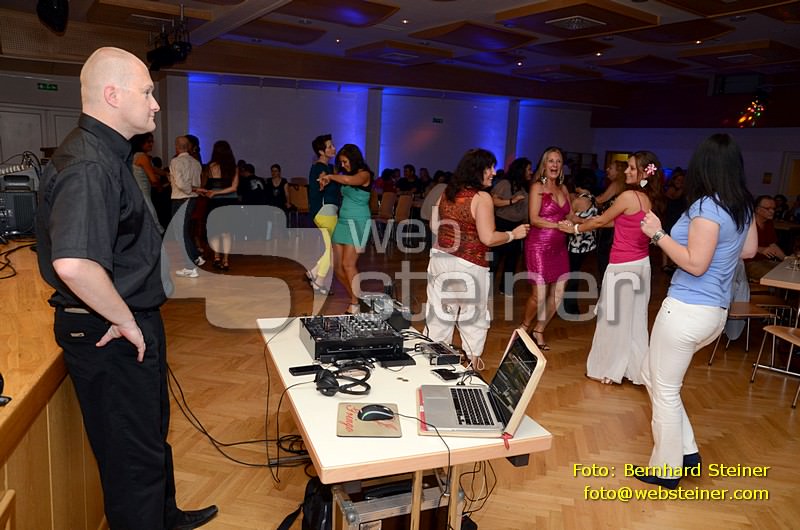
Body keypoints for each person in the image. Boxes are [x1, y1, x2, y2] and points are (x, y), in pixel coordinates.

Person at [34, 47, 217, 530]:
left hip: (125, 322)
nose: (156, 103)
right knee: (131, 459)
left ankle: (165, 516)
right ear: (113, 95)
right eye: (148, 92)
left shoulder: (106, 154)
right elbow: (74, 263)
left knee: (148, 436)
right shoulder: (90, 164)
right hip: (110, 330)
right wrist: (125, 320)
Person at [637, 133, 757, 488]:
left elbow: (695, 263)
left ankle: (666, 469)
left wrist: (658, 234)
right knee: (651, 375)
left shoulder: (707, 207)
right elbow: (748, 251)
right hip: (713, 312)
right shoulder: (741, 205)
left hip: (687, 308)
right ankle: (687, 453)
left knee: (665, 389)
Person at [561, 151, 664, 385]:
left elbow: (600, 220)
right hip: (641, 266)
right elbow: (614, 223)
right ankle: (634, 370)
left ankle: (606, 369)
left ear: (643, 172)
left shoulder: (628, 196)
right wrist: (582, 222)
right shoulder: (647, 198)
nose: (626, 171)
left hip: (623, 267)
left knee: (613, 318)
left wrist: (575, 230)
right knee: (635, 320)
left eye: (631, 168)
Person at [426, 148, 530, 367]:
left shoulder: (447, 193)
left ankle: (435, 364)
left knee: (439, 315)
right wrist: (513, 234)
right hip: (469, 265)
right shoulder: (481, 198)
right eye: (489, 168)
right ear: (476, 170)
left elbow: (434, 226)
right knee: (473, 318)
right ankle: (470, 369)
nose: (494, 173)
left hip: (440, 260)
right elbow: (488, 238)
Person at [521, 146, 574, 351]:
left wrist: (589, 221)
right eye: (551, 161)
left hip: (559, 247)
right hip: (539, 246)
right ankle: (524, 328)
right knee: (539, 295)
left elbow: (570, 216)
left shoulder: (563, 189)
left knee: (558, 293)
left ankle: (539, 329)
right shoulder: (537, 187)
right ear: (544, 164)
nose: (555, 165)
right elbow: (534, 219)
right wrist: (558, 225)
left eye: (558, 161)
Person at [320, 144, 372, 313]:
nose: (343, 165)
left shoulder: (365, 174)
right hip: (342, 222)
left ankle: (355, 303)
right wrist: (326, 182)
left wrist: (331, 176)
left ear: (354, 159)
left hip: (358, 222)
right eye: (341, 162)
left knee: (348, 264)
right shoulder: (345, 175)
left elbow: (349, 181)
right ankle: (357, 299)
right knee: (337, 267)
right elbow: (344, 181)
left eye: (345, 161)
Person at [490, 157, 531, 295]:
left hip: (518, 226)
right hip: (502, 224)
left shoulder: (526, 187)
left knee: (512, 260)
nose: (531, 172)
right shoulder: (505, 183)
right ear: (521, 170)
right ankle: (487, 287)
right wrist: (511, 201)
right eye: (528, 169)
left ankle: (506, 288)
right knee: (494, 260)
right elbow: (493, 201)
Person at [306, 134, 340, 295]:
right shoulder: (320, 168)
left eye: (333, 145)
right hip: (325, 211)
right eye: (329, 146)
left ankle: (312, 273)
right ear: (321, 151)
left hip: (326, 212)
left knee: (330, 249)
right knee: (332, 250)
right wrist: (323, 182)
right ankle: (318, 282)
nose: (333, 148)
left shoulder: (327, 168)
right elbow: (320, 186)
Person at [562, 169, 598, 316]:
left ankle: (569, 306)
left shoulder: (578, 201)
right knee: (575, 272)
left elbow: (569, 217)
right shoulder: (593, 198)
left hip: (576, 244)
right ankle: (570, 304)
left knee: (571, 274)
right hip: (588, 243)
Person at [169, 135, 205, 278]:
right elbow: (197, 183)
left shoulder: (176, 161)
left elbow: (181, 184)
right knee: (183, 231)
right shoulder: (196, 162)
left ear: (176, 147)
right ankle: (196, 256)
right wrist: (194, 189)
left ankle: (191, 266)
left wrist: (189, 189)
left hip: (181, 199)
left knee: (180, 233)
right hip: (193, 200)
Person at [203, 140, 240, 271]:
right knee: (227, 233)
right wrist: (218, 192)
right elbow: (234, 188)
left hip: (214, 202)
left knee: (214, 231)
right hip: (229, 203)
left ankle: (216, 257)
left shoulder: (210, 167)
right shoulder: (234, 167)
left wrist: (213, 192)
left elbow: (205, 186)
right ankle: (226, 261)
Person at [595, 160, 627, 281]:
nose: (607, 169)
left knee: (603, 254)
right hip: (619, 226)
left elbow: (600, 200)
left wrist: (585, 196)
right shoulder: (624, 185)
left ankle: (605, 283)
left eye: (610, 168)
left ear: (618, 171)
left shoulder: (616, 184)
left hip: (610, 226)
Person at [130, 131, 167, 232]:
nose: (151, 144)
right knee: (154, 224)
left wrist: (167, 174)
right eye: (148, 142)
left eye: (152, 141)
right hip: (144, 194)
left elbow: (154, 169)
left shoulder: (134, 156)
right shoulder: (142, 156)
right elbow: (153, 179)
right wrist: (160, 187)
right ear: (140, 142)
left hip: (137, 193)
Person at [744, 195, 786, 280]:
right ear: (757, 209)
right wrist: (761, 249)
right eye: (768, 209)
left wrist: (787, 259)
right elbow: (738, 246)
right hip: (747, 263)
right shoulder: (747, 222)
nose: (772, 211)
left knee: (787, 271)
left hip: (763, 261)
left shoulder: (768, 223)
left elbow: (772, 245)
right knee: (780, 276)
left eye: (773, 208)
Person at [662, 167, 687, 273]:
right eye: (678, 180)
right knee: (666, 239)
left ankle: (673, 263)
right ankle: (665, 264)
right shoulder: (671, 189)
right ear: (673, 180)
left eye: (682, 180)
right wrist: (683, 188)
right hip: (671, 216)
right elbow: (675, 197)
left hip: (679, 217)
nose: (679, 182)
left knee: (676, 240)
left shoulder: (684, 191)